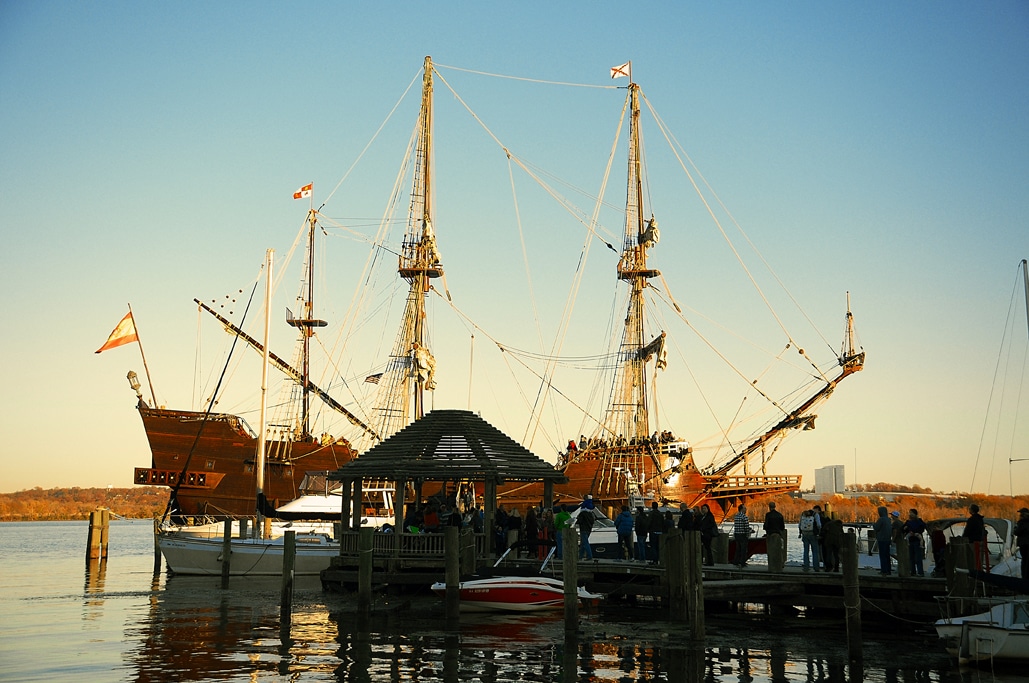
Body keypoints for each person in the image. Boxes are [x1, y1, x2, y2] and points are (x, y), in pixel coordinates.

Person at [962, 503, 989, 570]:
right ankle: (979, 569)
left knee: (973, 557)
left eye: (969, 509)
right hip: (980, 540)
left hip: (973, 541)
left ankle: (974, 571)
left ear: (972, 510)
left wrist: (963, 537)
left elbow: (967, 530)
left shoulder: (971, 520)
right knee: (979, 558)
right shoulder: (980, 519)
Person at [902, 508, 927, 577]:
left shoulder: (919, 521)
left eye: (911, 513)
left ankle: (920, 572)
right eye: (909, 513)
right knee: (911, 557)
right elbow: (903, 529)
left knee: (918, 557)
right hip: (910, 540)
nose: (910, 514)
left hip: (917, 540)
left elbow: (922, 527)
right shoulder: (908, 522)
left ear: (915, 514)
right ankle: (912, 571)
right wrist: (907, 529)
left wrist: (915, 531)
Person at [873, 506, 893, 575]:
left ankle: (883, 570)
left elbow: (876, 527)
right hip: (887, 539)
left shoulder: (881, 519)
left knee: (882, 555)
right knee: (887, 555)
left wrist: (873, 524)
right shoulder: (888, 519)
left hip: (882, 539)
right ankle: (888, 570)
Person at [732, 504, 752, 568]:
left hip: (737, 534)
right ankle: (742, 562)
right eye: (745, 508)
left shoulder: (736, 516)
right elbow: (746, 527)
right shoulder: (744, 517)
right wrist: (749, 533)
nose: (746, 509)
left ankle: (736, 561)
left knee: (738, 549)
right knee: (743, 549)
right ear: (742, 509)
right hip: (743, 535)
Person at [1015, 507, 1029, 581]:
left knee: (1024, 561)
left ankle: (1024, 578)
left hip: (1024, 544)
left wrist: (1015, 529)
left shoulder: (1022, 522)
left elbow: (1017, 532)